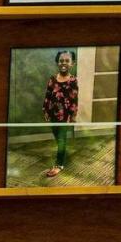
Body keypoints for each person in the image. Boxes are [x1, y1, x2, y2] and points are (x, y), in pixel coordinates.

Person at [42, 49, 78, 179]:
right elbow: (47, 95)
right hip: (52, 114)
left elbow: (74, 99)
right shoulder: (52, 79)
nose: (64, 63)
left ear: (72, 63)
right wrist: (45, 110)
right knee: (58, 138)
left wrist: (73, 115)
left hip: (64, 116)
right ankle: (61, 152)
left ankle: (59, 164)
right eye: (61, 60)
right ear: (58, 62)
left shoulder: (73, 81)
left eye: (67, 61)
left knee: (61, 139)